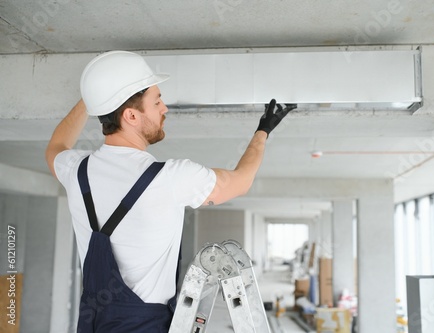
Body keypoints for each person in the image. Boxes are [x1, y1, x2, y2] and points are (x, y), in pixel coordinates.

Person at [45, 50, 292, 332]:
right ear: (131, 116)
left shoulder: (76, 170)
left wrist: (98, 94)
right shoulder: (171, 178)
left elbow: (55, 147)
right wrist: (263, 131)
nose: (165, 109)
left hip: (92, 323)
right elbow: (241, 181)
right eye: (157, 101)